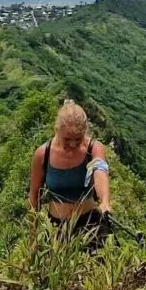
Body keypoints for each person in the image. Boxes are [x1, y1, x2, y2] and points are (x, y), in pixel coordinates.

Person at [29, 99, 112, 236]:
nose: (73, 145)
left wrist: (104, 201)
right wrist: (33, 233)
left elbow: (100, 170)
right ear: (56, 130)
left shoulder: (94, 148)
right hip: (56, 228)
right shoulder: (43, 154)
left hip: (90, 225)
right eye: (67, 139)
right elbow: (34, 194)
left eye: (78, 139)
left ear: (85, 131)